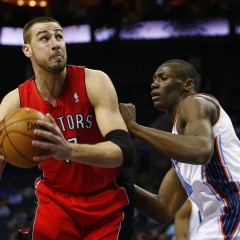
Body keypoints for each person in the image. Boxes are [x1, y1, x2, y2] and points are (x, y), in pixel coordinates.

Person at [0, 16, 136, 240]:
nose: (55, 44)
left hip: (106, 198)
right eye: (44, 38)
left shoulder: (93, 81)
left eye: (59, 37)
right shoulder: (15, 102)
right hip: (56, 199)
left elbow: (125, 152)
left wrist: (68, 150)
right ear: (27, 50)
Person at [119, 59, 240, 240]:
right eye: (153, 79)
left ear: (188, 84)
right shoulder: (181, 150)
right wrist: (117, 181)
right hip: (219, 217)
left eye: (163, 78)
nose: (154, 84)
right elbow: (163, 209)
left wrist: (133, 126)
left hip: (233, 208)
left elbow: (201, 151)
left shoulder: (194, 102)